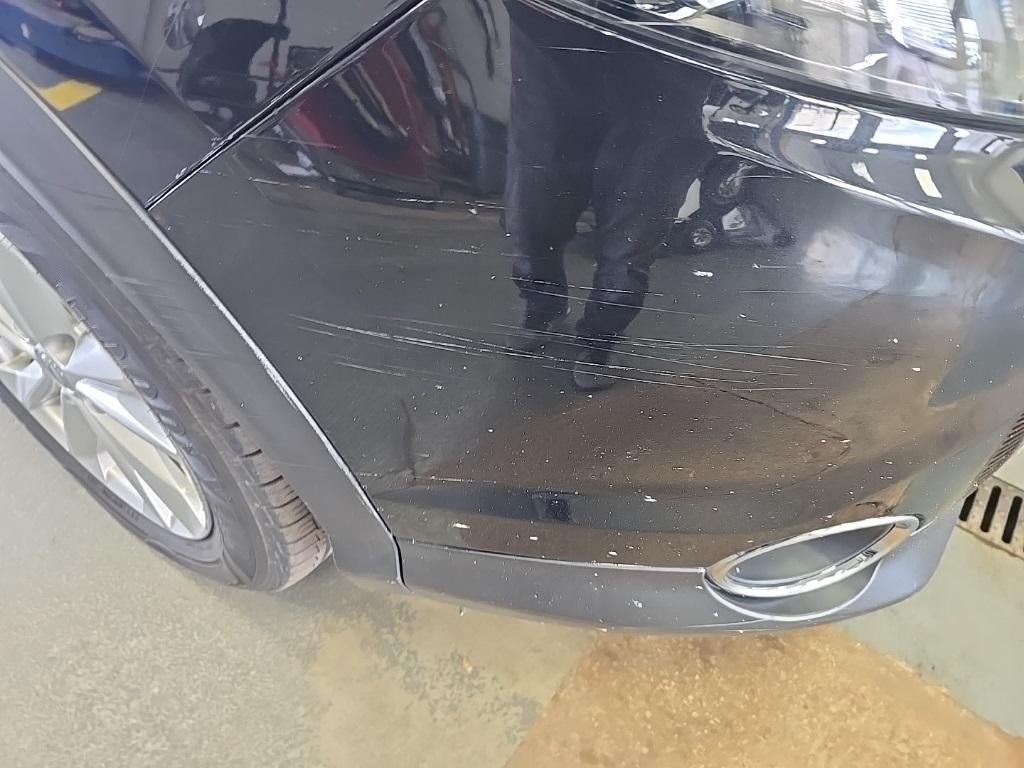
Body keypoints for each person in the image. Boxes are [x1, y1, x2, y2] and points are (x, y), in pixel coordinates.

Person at [503, 2, 712, 390]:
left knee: (634, 223)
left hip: (668, 51)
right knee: (533, 209)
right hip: (552, 33)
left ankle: (599, 340)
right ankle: (543, 308)